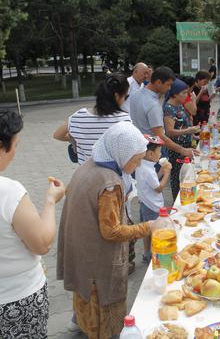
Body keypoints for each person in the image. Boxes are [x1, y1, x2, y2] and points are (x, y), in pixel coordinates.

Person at [0, 109, 65, 338]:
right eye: (15, 146)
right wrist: (50, 201)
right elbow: (41, 244)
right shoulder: (7, 191)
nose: (15, 153)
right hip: (18, 298)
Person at [57, 122, 152, 339]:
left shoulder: (91, 164)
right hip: (98, 262)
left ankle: (81, 324)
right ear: (121, 153)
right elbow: (111, 232)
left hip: (80, 250)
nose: (138, 166)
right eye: (136, 159)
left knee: (86, 304)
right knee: (106, 314)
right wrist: (148, 227)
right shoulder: (110, 183)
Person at [53, 73, 132, 165]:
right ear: (117, 96)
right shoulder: (123, 119)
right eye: (125, 97)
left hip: (86, 176)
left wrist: (74, 139)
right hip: (114, 176)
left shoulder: (78, 116)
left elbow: (57, 135)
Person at [129, 66, 196, 159]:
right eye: (168, 85)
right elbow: (160, 136)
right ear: (158, 82)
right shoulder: (152, 104)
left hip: (139, 147)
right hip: (152, 151)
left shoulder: (136, 94)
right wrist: (183, 150)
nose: (169, 89)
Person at [136, 135, 172, 262]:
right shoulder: (148, 170)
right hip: (152, 206)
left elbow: (153, 180)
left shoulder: (142, 164)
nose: (161, 154)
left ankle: (146, 254)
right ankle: (158, 256)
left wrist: (162, 171)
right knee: (156, 231)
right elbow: (159, 188)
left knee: (146, 230)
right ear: (151, 154)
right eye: (159, 151)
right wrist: (167, 173)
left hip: (144, 203)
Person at [163, 79, 200, 197]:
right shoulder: (169, 108)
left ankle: (187, 199)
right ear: (174, 94)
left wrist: (192, 134)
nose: (187, 95)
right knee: (178, 179)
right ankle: (177, 204)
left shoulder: (179, 105)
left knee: (187, 177)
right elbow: (169, 132)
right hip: (177, 150)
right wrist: (188, 130)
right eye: (184, 93)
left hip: (187, 145)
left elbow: (182, 125)